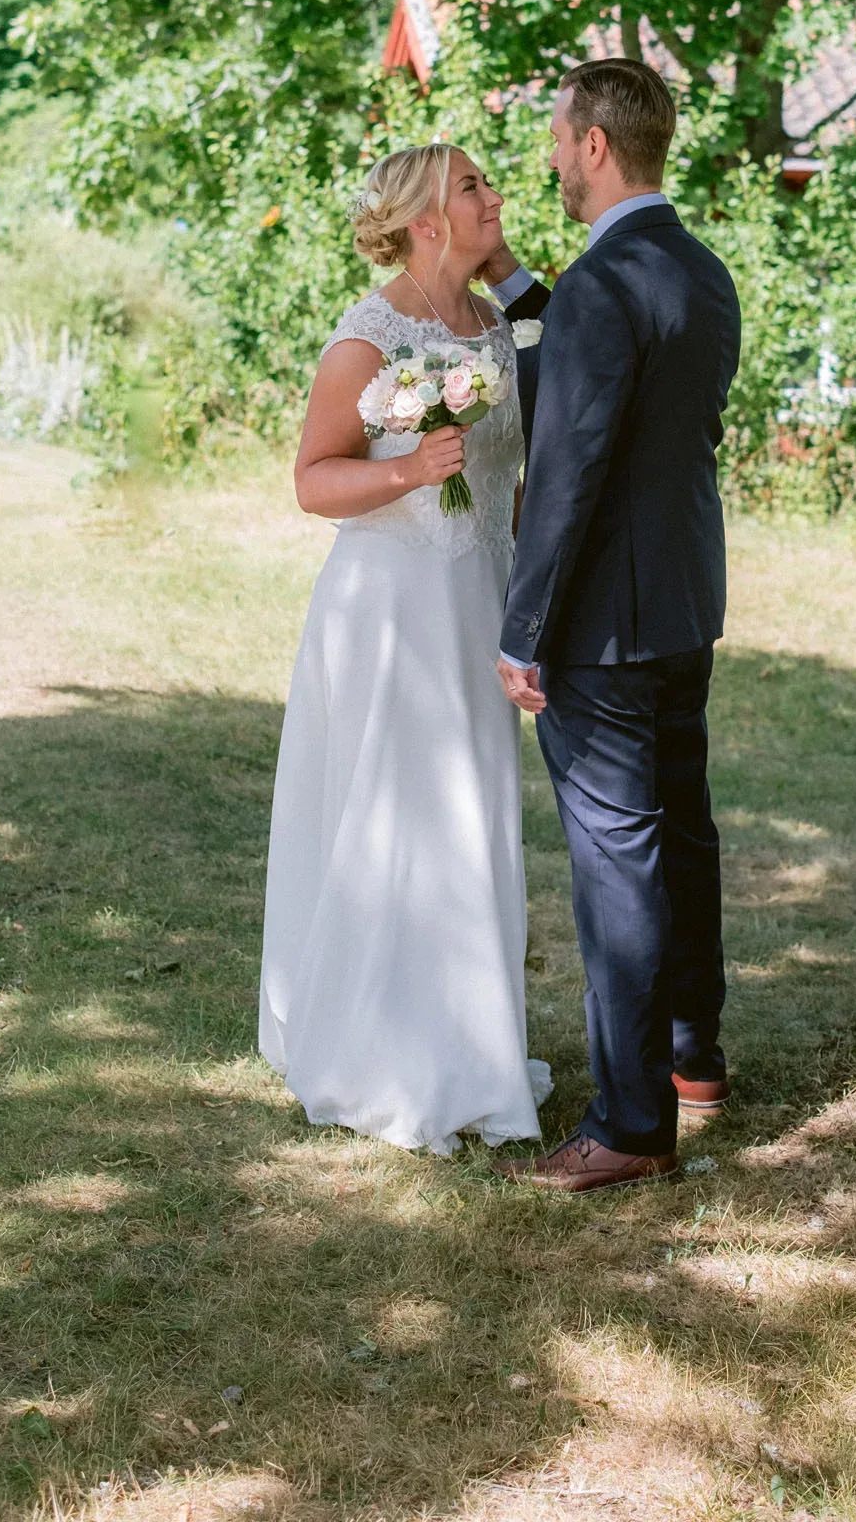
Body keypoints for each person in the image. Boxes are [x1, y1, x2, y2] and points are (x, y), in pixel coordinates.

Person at [258, 142, 550, 1154]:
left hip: (479, 600)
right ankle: (381, 1044)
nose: (492, 195)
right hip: (389, 611)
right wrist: (408, 469)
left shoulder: (499, 325)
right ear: (429, 217)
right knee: (396, 816)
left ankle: (473, 1040)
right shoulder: (369, 335)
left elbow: (520, 461)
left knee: (470, 810)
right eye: (472, 186)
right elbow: (312, 479)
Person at [483, 58, 742, 1193]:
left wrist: (522, 625)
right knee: (680, 834)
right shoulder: (696, 268)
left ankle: (631, 1126)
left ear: (594, 143)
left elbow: (573, 463)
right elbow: (608, 379)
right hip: (686, 603)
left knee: (618, 866)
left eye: (556, 136)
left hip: (603, 626)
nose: (550, 156)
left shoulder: (604, 284)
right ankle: (693, 1057)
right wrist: (510, 282)